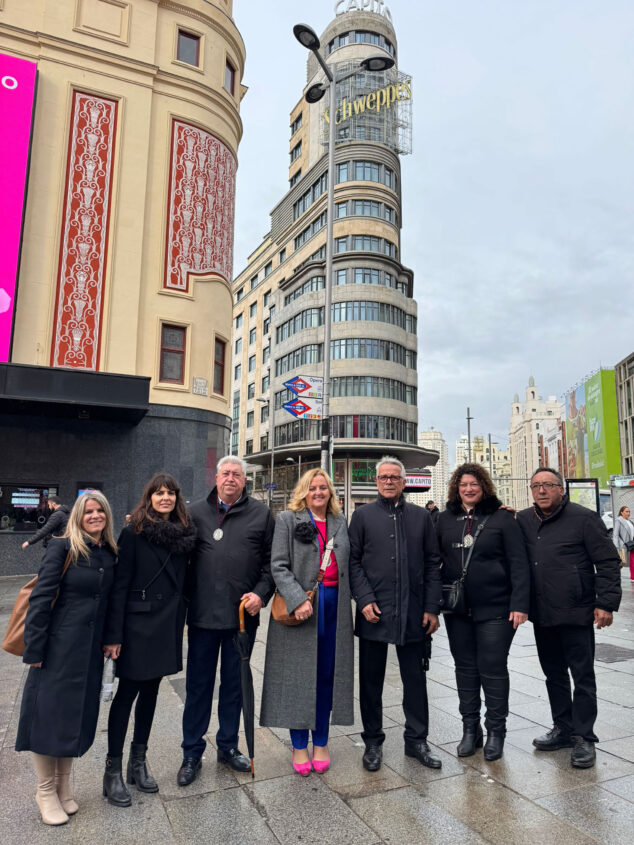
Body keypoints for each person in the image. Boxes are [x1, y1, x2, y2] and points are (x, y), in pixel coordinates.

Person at [15, 491, 118, 825]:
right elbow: (41, 599)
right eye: (87, 511)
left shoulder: (108, 552)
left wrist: (110, 639)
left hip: (88, 650)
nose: (94, 515)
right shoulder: (63, 547)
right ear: (77, 515)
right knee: (49, 717)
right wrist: (35, 649)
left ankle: (63, 785)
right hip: (57, 648)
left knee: (74, 716)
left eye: (99, 510)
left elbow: (110, 602)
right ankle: (45, 790)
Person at [177, 456, 275, 785]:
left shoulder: (261, 514)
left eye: (237, 474)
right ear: (216, 477)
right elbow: (180, 559)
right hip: (203, 618)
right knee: (198, 687)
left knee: (233, 687)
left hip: (241, 620)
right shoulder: (194, 512)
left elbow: (270, 565)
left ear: (244, 481)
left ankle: (228, 746)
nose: (231, 478)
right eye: (225, 473)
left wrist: (261, 595)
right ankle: (191, 751)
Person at [517, 467, 622, 768]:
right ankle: (563, 728)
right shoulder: (524, 520)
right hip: (543, 613)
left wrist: (606, 603)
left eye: (548, 485)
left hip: (577, 612)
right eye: (535, 485)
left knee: (583, 677)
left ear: (561, 489)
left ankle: (584, 737)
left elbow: (607, 562)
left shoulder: (583, 517)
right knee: (554, 676)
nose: (541, 491)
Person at [102, 473, 196, 806]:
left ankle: (137, 762)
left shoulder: (185, 535)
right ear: (149, 498)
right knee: (127, 695)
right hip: (137, 625)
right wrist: (113, 635)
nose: (165, 498)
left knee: (151, 694)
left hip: (166, 624)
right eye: (159, 493)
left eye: (170, 493)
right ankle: (112, 769)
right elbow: (119, 585)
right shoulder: (133, 532)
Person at [349, 456, 443, 772]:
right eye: (384, 477)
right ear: (376, 482)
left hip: (414, 613)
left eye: (394, 477)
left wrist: (432, 607)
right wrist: (363, 599)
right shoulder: (361, 516)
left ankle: (417, 740)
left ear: (404, 482)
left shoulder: (420, 517)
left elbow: (433, 564)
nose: (389, 481)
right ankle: (373, 742)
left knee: (415, 680)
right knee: (370, 682)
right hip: (373, 611)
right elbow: (353, 562)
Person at [260, 469, 353, 775]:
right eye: (312, 487)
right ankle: (300, 746)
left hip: (334, 609)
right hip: (301, 607)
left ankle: (322, 742)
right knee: (298, 677)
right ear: (303, 491)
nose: (318, 492)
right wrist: (298, 599)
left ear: (330, 492)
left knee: (327, 677)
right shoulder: (289, 519)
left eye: (323, 487)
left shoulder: (340, 522)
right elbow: (278, 565)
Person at [436, 463, 530, 761]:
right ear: (456, 487)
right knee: (465, 668)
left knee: (492, 667)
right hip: (457, 609)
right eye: (463, 484)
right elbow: (432, 561)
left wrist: (519, 604)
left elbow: (519, 563)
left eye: (474, 483)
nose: (469, 488)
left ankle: (496, 732)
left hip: (497, 609)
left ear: (484, 486)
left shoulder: (503, 518)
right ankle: (470, 729)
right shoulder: (443, 520)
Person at [613, 505, 634, 580]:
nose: (628, 513)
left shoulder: (630, 521)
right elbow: (615, 534)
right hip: (623, 546)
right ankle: (614, 576)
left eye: (629, 511)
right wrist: (616, 546)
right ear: (621, 512)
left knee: (632, 562)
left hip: (631, 545)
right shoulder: (619, 520)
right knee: (621, 563)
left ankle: (633, 577)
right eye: (626, 511)